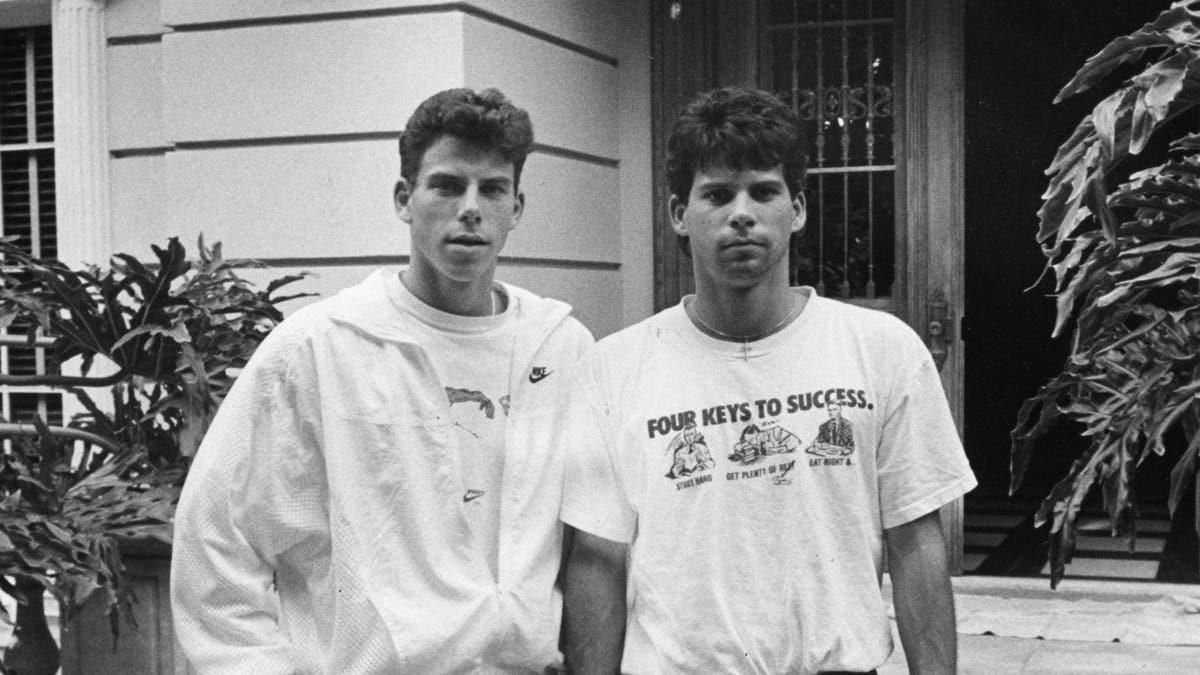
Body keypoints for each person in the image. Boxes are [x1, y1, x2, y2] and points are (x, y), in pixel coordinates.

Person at [171, 88, 594, 673]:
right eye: (447, 185)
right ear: (405, 198)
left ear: (517, 207)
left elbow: (594, 543)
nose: (471, 208)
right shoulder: (321, 347)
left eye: (492, 189)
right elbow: (215, 544)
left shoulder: (562, 348)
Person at [559, 87, 976, 674]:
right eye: (717, 195)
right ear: (680, 213)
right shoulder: (615, 368)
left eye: (763, 191)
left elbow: (916, 546)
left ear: (797, 208)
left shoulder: (880, 350)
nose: (742, 213)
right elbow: (597, 563)